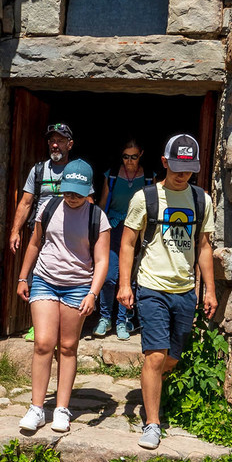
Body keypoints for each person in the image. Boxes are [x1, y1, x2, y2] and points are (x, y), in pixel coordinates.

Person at [117, 131, 217, 451]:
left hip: (185, 290)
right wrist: (123, 285)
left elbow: (203, 247)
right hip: (151, 286)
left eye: (187, 169)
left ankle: (153, 383)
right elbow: (128, 243)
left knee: (172, 358)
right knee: (156, 355)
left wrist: (209, 291)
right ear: (164, 162)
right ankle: (152, 423)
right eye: (175, 167)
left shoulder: (202, 200)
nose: (181, 174)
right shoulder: (145, 198)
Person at [15, 157, 110, 435]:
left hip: (78, 286)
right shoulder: (48, 206)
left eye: (77, 193)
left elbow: (102, 260)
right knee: (43, 343)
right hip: (45, 280)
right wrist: (24, 276)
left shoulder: (97, 217)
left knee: (68, 347)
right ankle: (36, 408)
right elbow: (35, 242)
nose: (71, 197)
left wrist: (93, 293)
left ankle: (61, 408)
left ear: (88, 191)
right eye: (67, 191)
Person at [93, 139, 146, 338]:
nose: (129, 161)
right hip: (114, 228)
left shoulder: (150, 178)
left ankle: (123, 320)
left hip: (137, 231)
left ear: (141, 153)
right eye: (126, 156)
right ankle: (105, 318)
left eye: (133, 156)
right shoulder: (112, 176)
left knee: (130, 278)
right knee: (109, 276)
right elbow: (103, 203)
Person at [9, 119, 76, 259]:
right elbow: (25, 203)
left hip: (68, 235)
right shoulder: (38, 170)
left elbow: (88, 204)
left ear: (70, 145)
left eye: (61, 141)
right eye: (52, 141)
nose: (55, 145)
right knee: (35, 275)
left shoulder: (77, 172)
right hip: (40, 235)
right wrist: (15, 231)